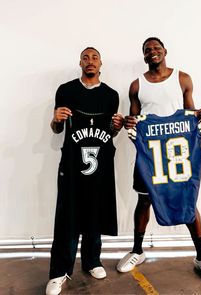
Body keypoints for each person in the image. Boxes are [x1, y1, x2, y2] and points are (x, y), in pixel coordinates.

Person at [116, 37, 201, 284]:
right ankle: (137, 251)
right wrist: (129, 122)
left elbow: (190, 116)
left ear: (165, 51)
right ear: (143, 56)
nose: (151, 52)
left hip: (177, 154)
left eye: (155, 48)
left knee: (188, 199)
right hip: (151, 155)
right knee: (144, 202)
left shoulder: (182, 78)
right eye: (146, 50)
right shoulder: (136, 85)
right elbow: (134, 124)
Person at [46, 47, 124, 295]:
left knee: (95, 211)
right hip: (71, 165)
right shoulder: (66, 90)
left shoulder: (111, 95)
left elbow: (110, 133)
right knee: (68, 217)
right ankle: (60, 271)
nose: (90, 61)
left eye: (94, 57)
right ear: (79, 63)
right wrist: (56, 119)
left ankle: (92, 260)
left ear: (101, 63)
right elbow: (57, 129)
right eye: (85, 57)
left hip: (99, 166)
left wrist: (116, 128)